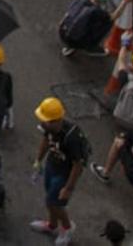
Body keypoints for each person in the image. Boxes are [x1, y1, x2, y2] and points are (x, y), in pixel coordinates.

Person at [33, 96, 90, 244]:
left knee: (55, 203)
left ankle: (67, 227)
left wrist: (68, 188)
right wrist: (38, 160)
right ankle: (52, 225)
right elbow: (46, 141)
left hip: (64, 174)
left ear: (55, 120)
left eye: (44, 119)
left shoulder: (72, 137)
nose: (41, 122)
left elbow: (78, 165)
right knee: (50, 199)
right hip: (52, 166)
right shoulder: (49, 128)